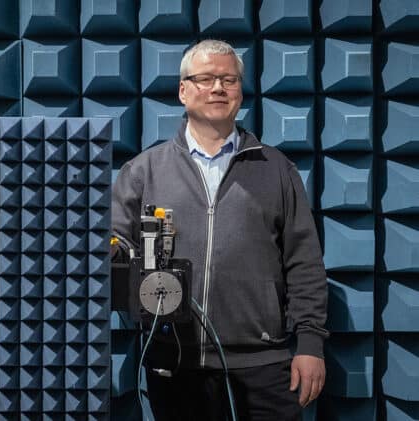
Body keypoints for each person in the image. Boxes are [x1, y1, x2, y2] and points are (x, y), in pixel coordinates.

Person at [111, 39, 328, 420]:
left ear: (240, 93)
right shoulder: (143, 171)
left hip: (263, 363)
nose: (217, 88)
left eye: (228, 80)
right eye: (206, 78)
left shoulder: (276, 169)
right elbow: (114, 249)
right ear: (183, 91)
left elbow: (304, 262)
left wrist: (310, 343)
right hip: (175, 362)